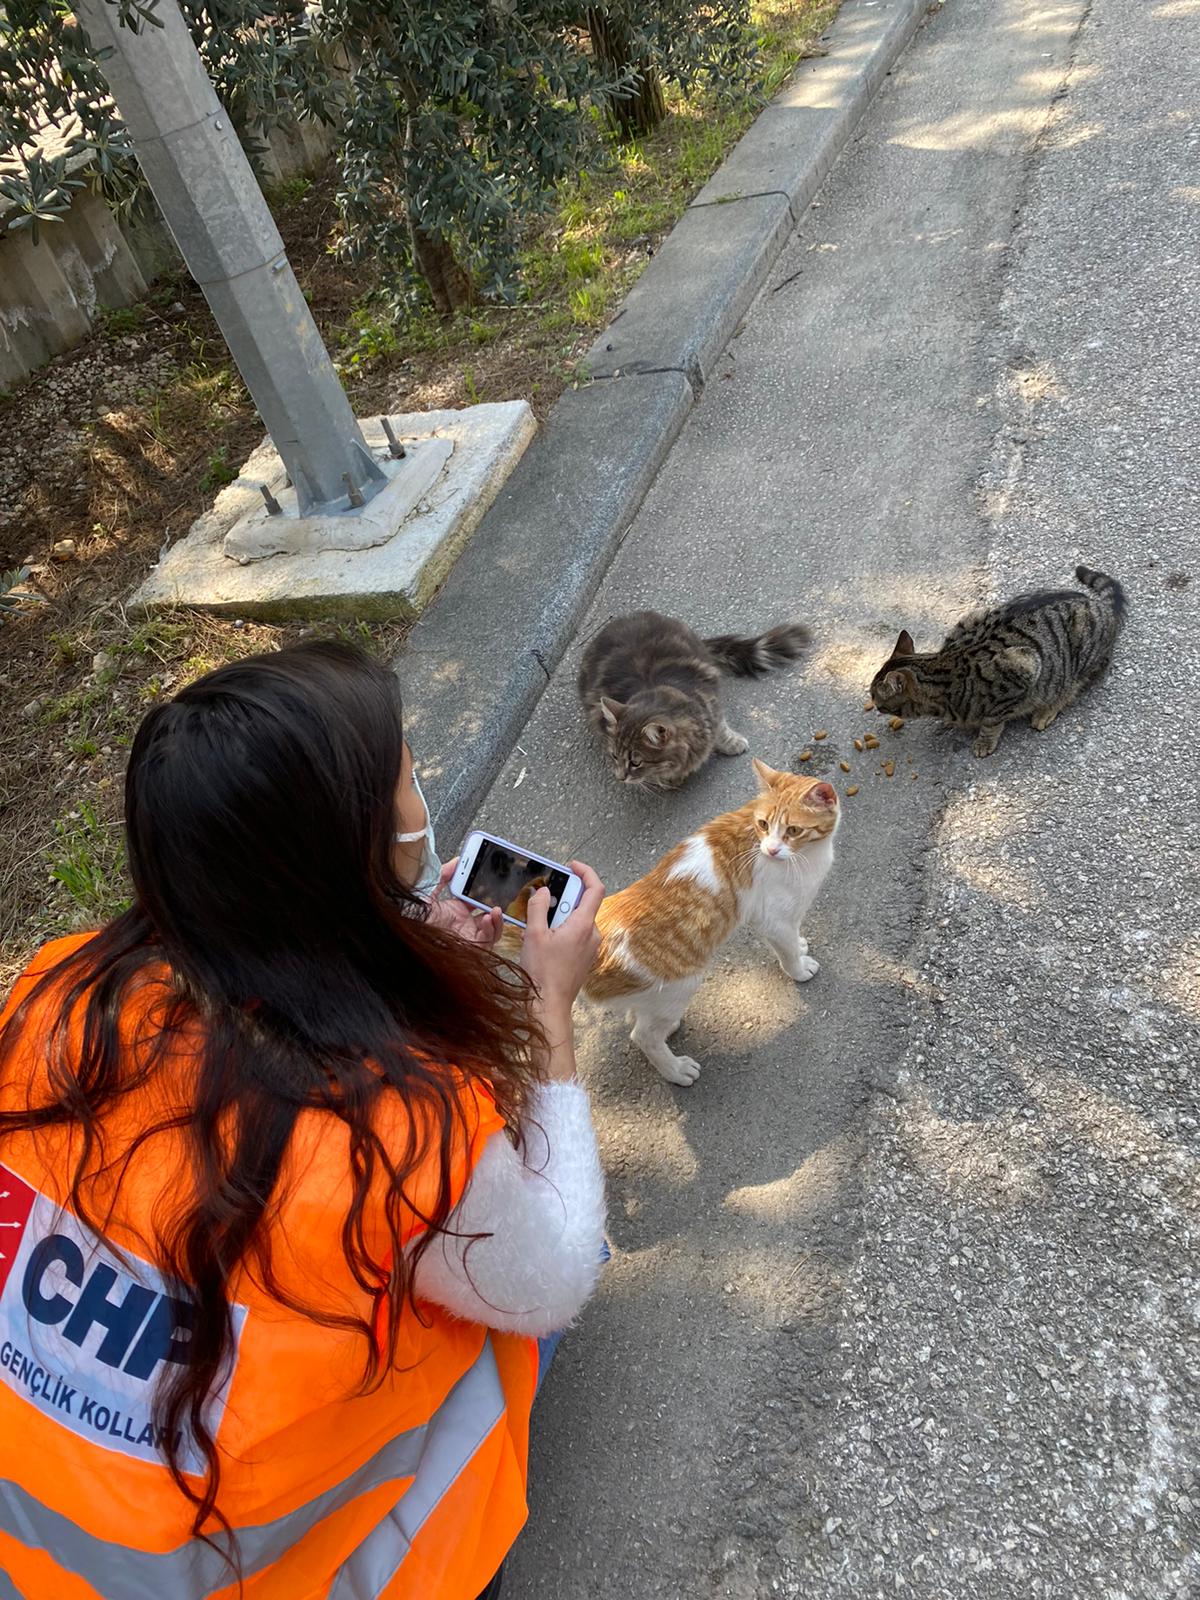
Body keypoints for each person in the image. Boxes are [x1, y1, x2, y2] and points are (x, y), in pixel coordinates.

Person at [0, 641, 607, 1600]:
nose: (417, 805)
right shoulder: (403, 1131)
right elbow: (555, 1278)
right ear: (347, 861)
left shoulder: (55, 991)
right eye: (406, 781)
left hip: (40, 1548)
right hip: (279, 1572)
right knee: (556, 1253)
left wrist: (411, 963)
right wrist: (548, 1014)